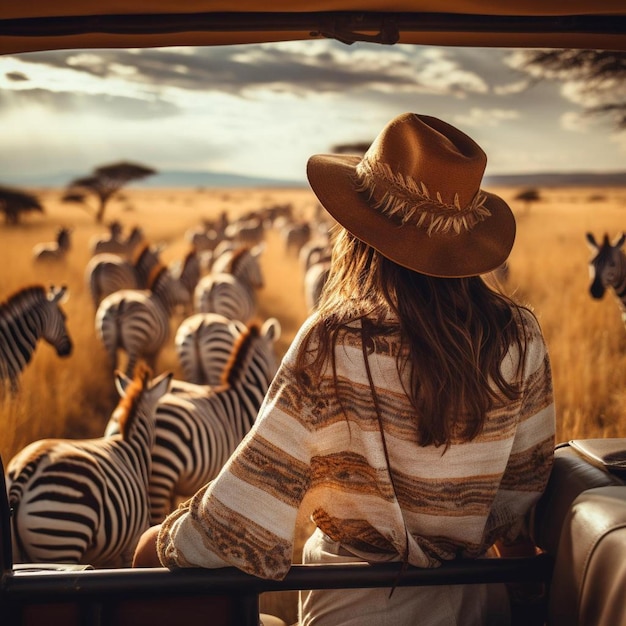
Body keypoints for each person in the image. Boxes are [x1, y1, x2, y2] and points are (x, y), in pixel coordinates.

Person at [133, 112, 555, 625]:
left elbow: (249, 504)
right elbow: (519, 511)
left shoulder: (333, 340)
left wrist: (164, 543)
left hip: (354, 601)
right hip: (474, 601)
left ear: (361, 229)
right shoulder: (520, 336)